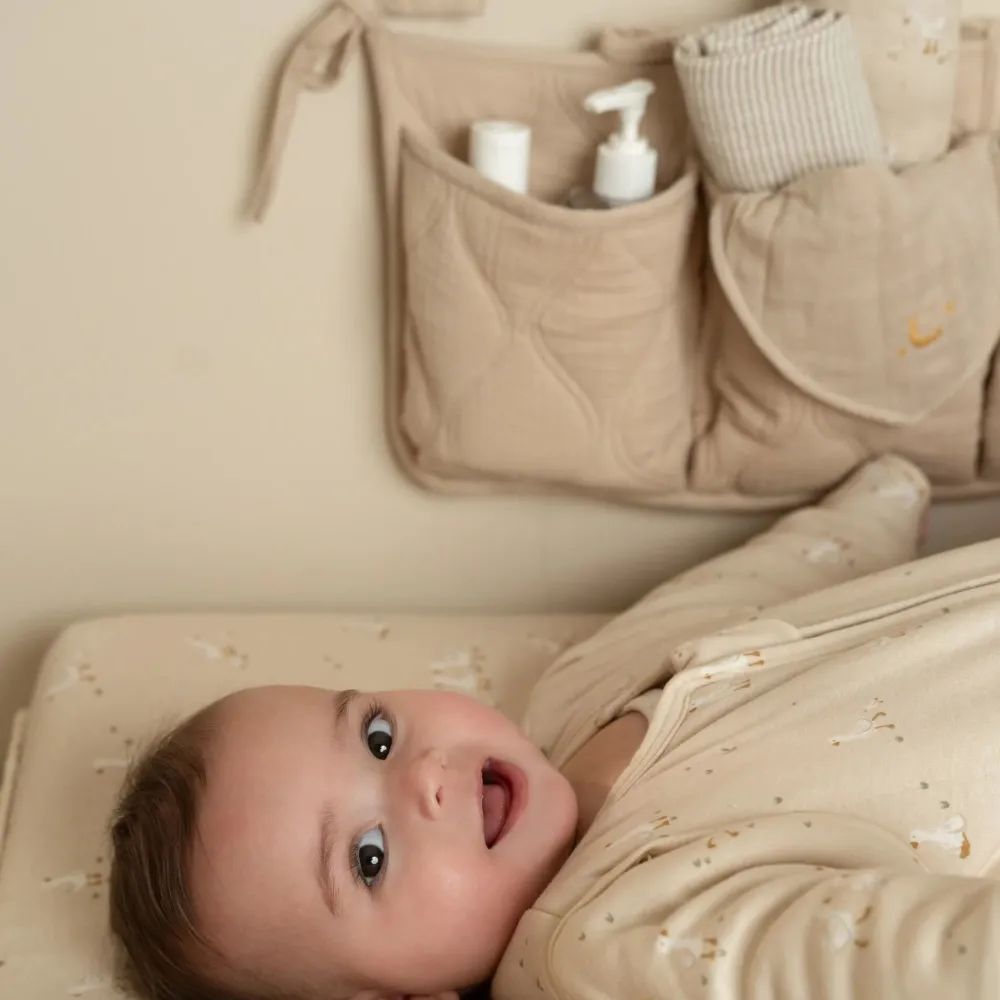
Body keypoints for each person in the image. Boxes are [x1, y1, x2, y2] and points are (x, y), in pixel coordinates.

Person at [110, 455, 1000, 1000]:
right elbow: (916, 963)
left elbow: (747, 591)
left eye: (377, 737)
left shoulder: (573, 695)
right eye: (368, 858)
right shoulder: (614, 946)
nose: (419, 778)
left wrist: (877, 502)